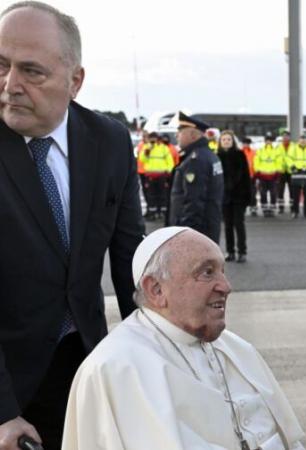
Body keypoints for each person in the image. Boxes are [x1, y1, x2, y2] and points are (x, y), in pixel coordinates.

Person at [0, 2, 144, 449]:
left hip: (87, 366)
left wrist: (159, 361)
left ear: (75, 81)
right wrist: (2, 412)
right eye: (0, 66)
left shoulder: (109, 141)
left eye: (31, 72)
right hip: (10, 382)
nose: (10, 86)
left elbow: (130, 261)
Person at [62, 227, 305, 450]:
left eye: (223, 271)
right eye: (207, 273)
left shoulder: (236, 348)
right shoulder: (115, 368)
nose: (226, 286)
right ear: (156, 290)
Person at [169, 111, 224, 243]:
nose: (177, 135)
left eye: (180, 131)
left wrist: (186, 237)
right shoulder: (209, 155)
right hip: (208, 230)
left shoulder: (196, 161)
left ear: (193, 134)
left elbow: (193, 202)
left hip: (195, 236)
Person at [218, 130, 251, 262]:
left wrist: (249, 197)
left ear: (233, 142)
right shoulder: (217, 156)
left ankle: (242, 251)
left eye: (229, 140)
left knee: (239, 224)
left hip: (239, 196)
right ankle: (230, 251)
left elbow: (247, 177)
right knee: (227, 225)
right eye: (224, 140)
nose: (226, 142)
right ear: (220, 142)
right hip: (224, 197)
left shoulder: (240, 155)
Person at [139, 131, 174, 220]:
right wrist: (148, 149)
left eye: (154, 138)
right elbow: (142, 159)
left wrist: (168, 171)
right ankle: (152, 213)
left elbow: (170, 161)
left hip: (162, 175)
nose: (153, 140)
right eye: (151, 138)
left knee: (162, 194)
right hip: (150, 175)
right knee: (151, 195)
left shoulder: (164, 148)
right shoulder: (147, 147)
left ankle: (162, 213)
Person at [254, 132, 282, 217]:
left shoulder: (276, 151)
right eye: (267, 140)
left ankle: (272, 209)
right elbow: (256, 161)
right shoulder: (260, 151)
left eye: (270, 140)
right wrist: (258, 171)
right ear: (265, 141)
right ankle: (265, 209)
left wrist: (277, 171)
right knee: (263, 193)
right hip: (263, 175)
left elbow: (279, 161)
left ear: (272, 141)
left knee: (273, 193)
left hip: (273, 175)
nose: (268, 142)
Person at [276, 130, 295, 214]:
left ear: (289, 137)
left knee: (292, 190)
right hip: (281, 171)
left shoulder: (294, 147)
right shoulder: (278, 147)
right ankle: (281, 208)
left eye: (287, 136)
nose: (285, 138)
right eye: (284, 136)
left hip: (291, 171)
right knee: (280, 191)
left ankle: (292, 207)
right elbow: (275, 158)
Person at [240, 137, 258, 216]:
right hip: (241, 177)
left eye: (247, 143)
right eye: (244, 143)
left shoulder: (253, 152)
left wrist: (256, 174)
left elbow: (256, 163)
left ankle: (253, 208)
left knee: (252, 193)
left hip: (251, 176)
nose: (246, 145)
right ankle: (242, 208)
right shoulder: (239, 152)